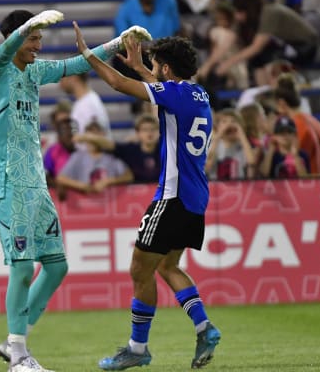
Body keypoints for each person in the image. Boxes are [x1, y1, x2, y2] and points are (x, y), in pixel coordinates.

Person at [0, 8, 150, 371]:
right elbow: (4, 51)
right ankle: (18, 355)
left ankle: (14, 341)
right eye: (33, 38)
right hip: (10, 185)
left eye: (39, 38)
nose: (38, 45)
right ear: (15, 37)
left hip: (37, 185)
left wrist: (119, 42)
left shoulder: (35, 71)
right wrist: (27, 26)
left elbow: (76, 64)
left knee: (56, 267)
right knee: (22, 268)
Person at [72, 23, 221, 370]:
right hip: (196, 198)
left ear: (166, 68)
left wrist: (87, 54)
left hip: (171, 197)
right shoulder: (199, 94)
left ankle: (137, 348)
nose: (153, 70)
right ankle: (204, 328)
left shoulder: (174, 94)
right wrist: (141, 67)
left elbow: (116, 83)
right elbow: (164, 89)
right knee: (168, 266)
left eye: (156, 65)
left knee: (140, 270)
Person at [204, 0, 317, 86]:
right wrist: (207, 67)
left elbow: (256, 47)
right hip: (286, 45)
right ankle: (264, 91)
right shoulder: (246, 19)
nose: (237, 17)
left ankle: (277, 91)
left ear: (247, 9)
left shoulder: (269, 12)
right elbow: (227, 42)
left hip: (304, 46)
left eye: (239, 12)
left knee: (269, 57)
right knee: (258, 59)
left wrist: (228, 64)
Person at [273, 73, 320, 176]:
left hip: (309, 183)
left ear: (281, 103)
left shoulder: (296, 127)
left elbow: (295, 164)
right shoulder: (313, 121)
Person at [56, 121, 132, 194]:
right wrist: (81, 185)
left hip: (109, 200)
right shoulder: (78, 156)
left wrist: (108, 181)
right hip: (85, 201)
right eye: (89, 138)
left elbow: (128, 176)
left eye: (94, 138)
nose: (92, 142)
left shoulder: (111, 156)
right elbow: (61, 178)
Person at [206, 108, 256, 180]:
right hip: (216, 185)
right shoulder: (214, 145)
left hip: (238, 185)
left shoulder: (243, 145)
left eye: (233, 121)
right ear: (217, 126)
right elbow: (207, 166)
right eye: (224, 121)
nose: (229, 125)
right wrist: (218, 135)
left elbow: (252, 162)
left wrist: (242, 136)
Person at [59, 73, 112, 140]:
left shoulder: (89, 104)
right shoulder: (83, 102)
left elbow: (99, 140)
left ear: (74, 76)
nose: (59, 80)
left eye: (63, 76)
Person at [259, 115, 309, 179]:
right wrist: (271, 149)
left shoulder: (302, 155)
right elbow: (263, 175)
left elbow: (305, 179)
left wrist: (295, 155)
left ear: (295, 135)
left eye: (289, 132)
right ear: (274, 136)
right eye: (281, 132)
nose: (285, 135)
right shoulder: (272, 156)